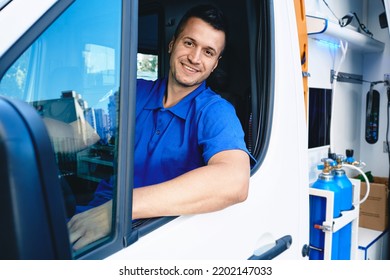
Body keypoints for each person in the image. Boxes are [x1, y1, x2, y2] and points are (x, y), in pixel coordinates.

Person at [68, 4, 252, 250]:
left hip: (149, 235)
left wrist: (119, 210)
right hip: (93, 217)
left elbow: (234, 182)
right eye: (189, 43)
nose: (195, 58)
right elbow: (76, 134)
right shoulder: (135, 91)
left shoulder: (215, 112)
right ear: (172, 43)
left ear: (215, 64)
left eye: (208, 52)